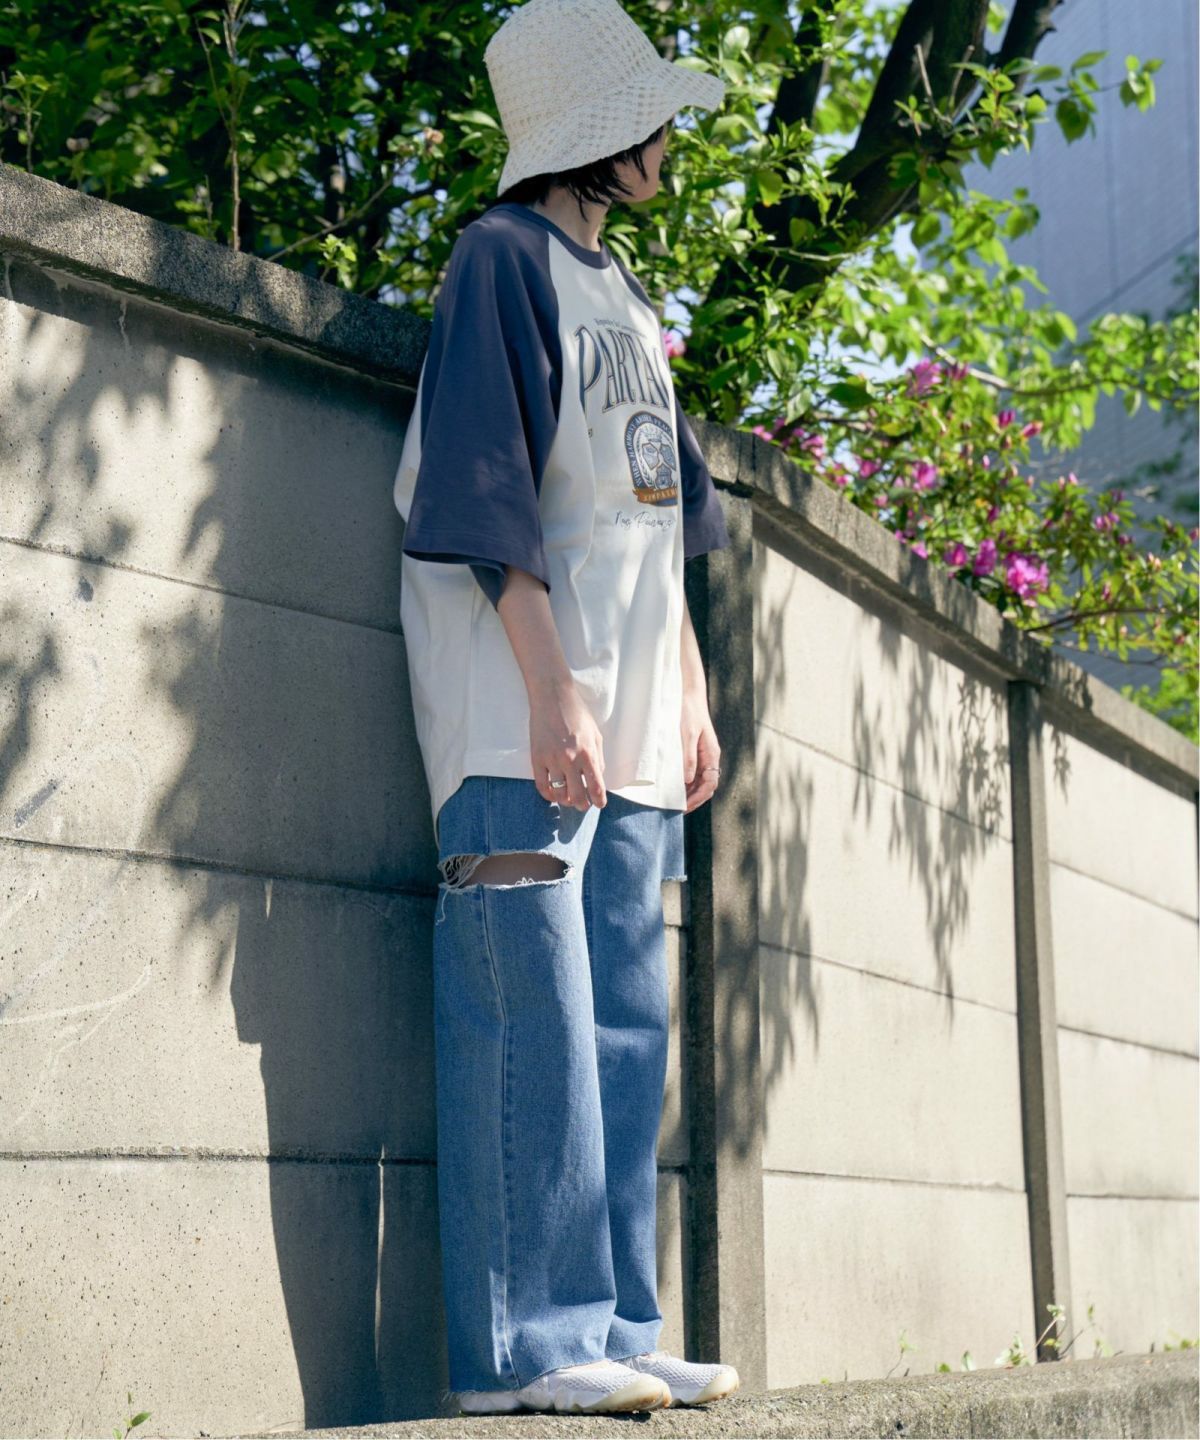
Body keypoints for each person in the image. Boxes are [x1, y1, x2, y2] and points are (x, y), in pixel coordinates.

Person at [392, 0, 739, 1416]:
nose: (666, 141)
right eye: (649, 116)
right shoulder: (500, 260)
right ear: (592, 135)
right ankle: (524, 1351)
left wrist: (691, 694)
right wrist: (551, 693)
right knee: (526, 1015)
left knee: (625, 1030)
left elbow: (662, 527)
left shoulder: (631, 303)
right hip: (520, 716)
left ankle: (618, 1324)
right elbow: (482, 491)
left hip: (637, 728)